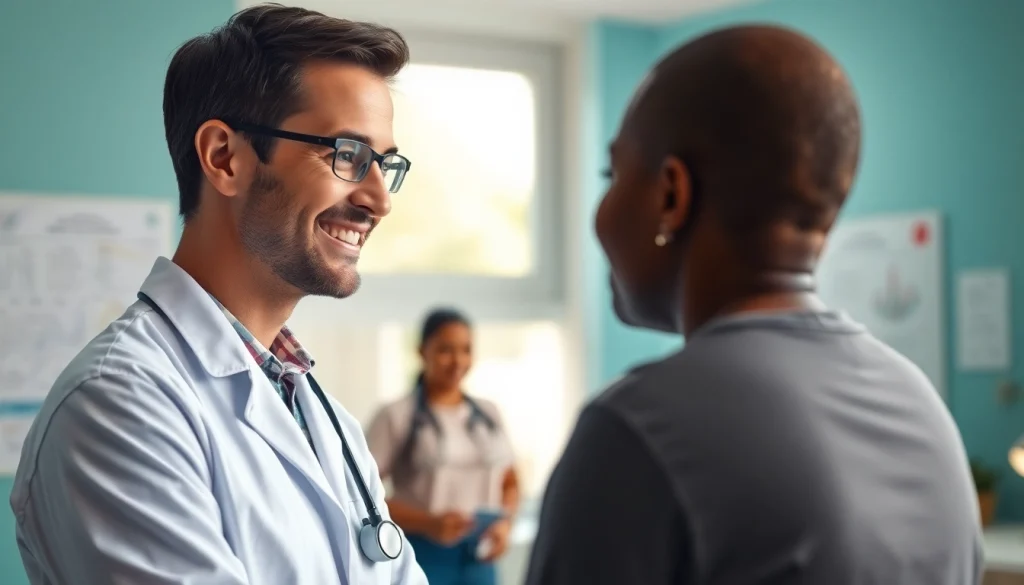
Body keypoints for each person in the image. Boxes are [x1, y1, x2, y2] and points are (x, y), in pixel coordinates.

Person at [526, 24, 982, 585]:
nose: (600, 211)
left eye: (612, 174)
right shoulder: (919, 409)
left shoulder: (637, 432)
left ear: (672, 194)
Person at [9, 4, 427, 585]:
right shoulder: (118, 405)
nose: (380, 199)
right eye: (348, 156)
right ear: (224, 158)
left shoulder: (325, 418)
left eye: (385, 163)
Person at [366, 308, 519, 585]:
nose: (457, 361)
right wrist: (429, 523)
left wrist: (505, 525)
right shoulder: (396, 416)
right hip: (422, 552)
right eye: (445, 350)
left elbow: (509, 481)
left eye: (466, 350)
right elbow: (363, 497)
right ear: (422, 352)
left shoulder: (489, 413)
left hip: (479, 557)